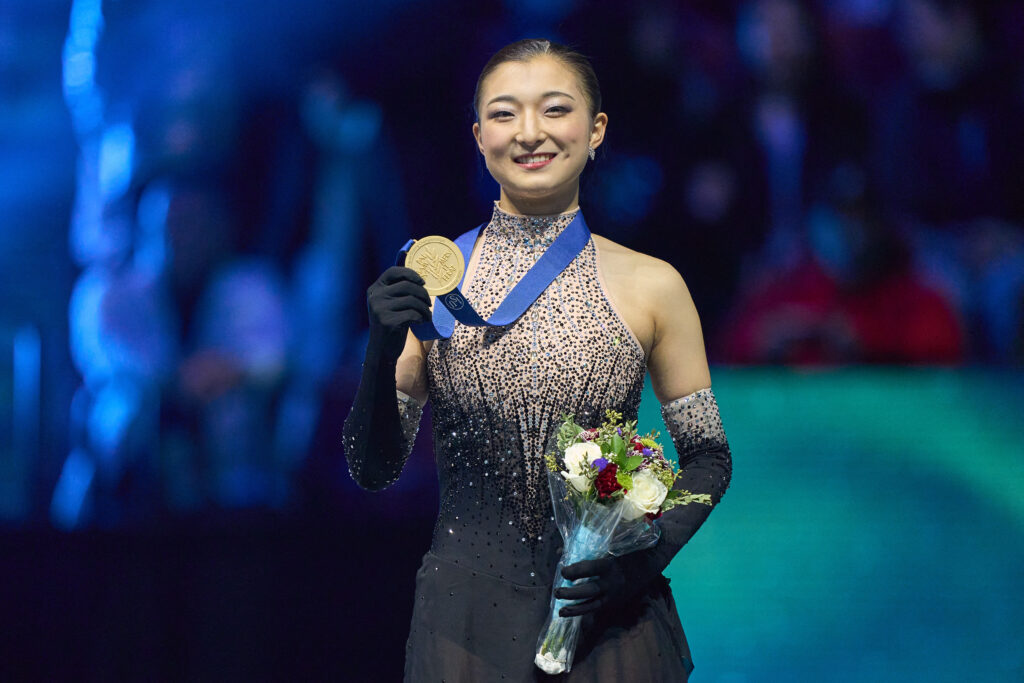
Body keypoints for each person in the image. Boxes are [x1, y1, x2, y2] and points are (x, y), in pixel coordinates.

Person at [343, 39, 732, 681]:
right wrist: (379, 351)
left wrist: (639, 562)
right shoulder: (435, 280)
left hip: (608, 626)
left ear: (596, 129)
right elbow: (372, 467)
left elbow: (709, 456)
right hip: (462, 626)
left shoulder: (652, 284)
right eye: (504, 114)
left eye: (555, 110)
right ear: (477, 135)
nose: (530, 133)